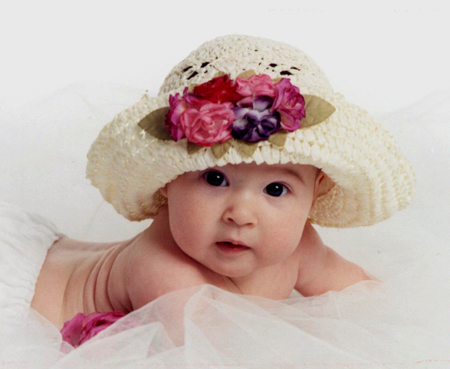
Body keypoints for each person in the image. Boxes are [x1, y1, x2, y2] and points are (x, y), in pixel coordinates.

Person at [5, 34, 447, 367]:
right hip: (29, 293)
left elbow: (364, 293)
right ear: (167, 183)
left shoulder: (299, 246)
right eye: (215, 178)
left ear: (316, 196)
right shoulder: (167, 272)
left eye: (276, 189)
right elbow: (224, 358)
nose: (240, 213)